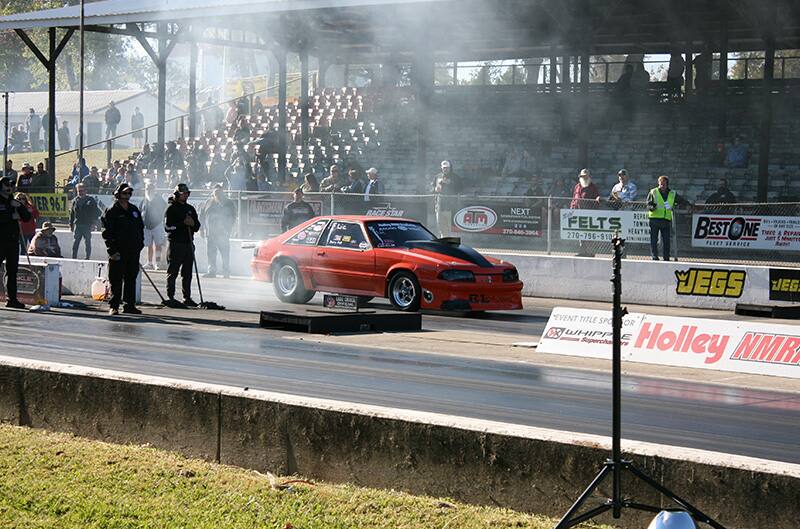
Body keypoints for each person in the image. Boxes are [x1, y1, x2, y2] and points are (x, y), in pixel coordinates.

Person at [101, 183, 145, 315]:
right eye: (124, 193)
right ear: (118, 194)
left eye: (129, 193)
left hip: (133, 250)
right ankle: (114, 306)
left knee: (131, 278)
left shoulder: (134, 210)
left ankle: (129, 305)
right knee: (116, 279)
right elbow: (106, 233)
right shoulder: (111, 211)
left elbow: (140, 228)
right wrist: (112, 251)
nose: (127, 196)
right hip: (118, 251)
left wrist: (140, 244)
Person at [164, 183, 201, 307]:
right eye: (183, 193)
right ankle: (170, 296)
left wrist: (192, 224)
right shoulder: (171, 208)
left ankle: (187, 297)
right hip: (175, 244)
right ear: (177, 194)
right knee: (173, 271)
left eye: (187, 193)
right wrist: (182, 223)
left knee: (187, 273)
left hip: (188, 244)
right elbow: (167, 227)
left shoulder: (190, 208)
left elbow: (197, 226)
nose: (185, 195)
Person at [0, 176, 32, 308]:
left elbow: (27, 218)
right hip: (0, 240)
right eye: (7, 185)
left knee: (12, 271)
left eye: (11, 185)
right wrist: (10, 216)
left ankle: (12, 299)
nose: (10, 187)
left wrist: (19, 206)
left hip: (13, 241)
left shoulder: (13, 201)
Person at [646, 175, 691, 261]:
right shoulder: (653, 192)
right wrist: (652, 207)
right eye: (660, 184)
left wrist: (688, 205)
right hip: (654, 219)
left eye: (664, 184)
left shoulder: (672, 193)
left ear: (667, 184)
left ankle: (666, 257)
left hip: (666, 220)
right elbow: (648, 204)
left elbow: (681, 200)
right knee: (654, 240)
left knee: (666, 241)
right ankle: (654, 256)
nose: (662, 186)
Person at [200, 184, 237, 278]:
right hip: (210, 233)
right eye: (215, 192)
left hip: (223, 233)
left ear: (222, 192)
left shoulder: (228, 203)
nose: (217, 194)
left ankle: (226, 271)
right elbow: (202, 216)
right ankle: (211, 271)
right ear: (213, 192)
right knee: (211, 253)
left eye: (219, 192)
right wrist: (201, 229)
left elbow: (233, 217)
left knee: (225, 253)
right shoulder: (208, 202)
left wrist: (229, 229)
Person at [571, 169, 601, 257]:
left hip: (589, 213)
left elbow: (597, 197)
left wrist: (598, 198)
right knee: (580, 233)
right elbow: (574, 198)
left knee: (589, 233)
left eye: (585, 176)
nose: (584, 178)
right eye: (582, 176)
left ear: (588, 177)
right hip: (578, 212)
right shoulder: (577, 186)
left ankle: (590, 252)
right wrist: (572, 208)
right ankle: (582, 251)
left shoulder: (593, 187)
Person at [140, 180, 167, 269]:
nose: (149, 190)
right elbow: (140, 212)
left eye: (150, 188)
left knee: (158, 244)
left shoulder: (159, 199)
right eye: (147, 188)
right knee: (149, 245)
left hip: (157, 225)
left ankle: (157, 263)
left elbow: (165, 209)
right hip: (146, 226)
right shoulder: (143, 200)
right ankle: (150, 262)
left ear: (154, 189)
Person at [69, 183, 101, 259]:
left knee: (87, 243)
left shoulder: (91, 200)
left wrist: (94, 223)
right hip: (77, 224)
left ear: (86, 191)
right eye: (79, 191)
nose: (80, 192)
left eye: (82, 190)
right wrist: (71, 224)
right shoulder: (75, 201)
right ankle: (74, 258)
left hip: (87, 225)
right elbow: (72, 214)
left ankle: (87, 258)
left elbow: (96, 212)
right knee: (75, 243)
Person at [431, 160, 461, 237]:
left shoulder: (455, 177)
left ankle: (452, 246)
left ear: (450, 168)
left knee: (451, 228)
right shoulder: (437, 176)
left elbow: (460, 189)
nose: (445, 169)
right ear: (441, 168)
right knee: (441, 228)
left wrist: (450, 183)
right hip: (439, 206)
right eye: (444, 168)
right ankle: (443, 244)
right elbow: (430, 188)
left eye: (447, 168)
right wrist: (435, 189)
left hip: (450, 207)